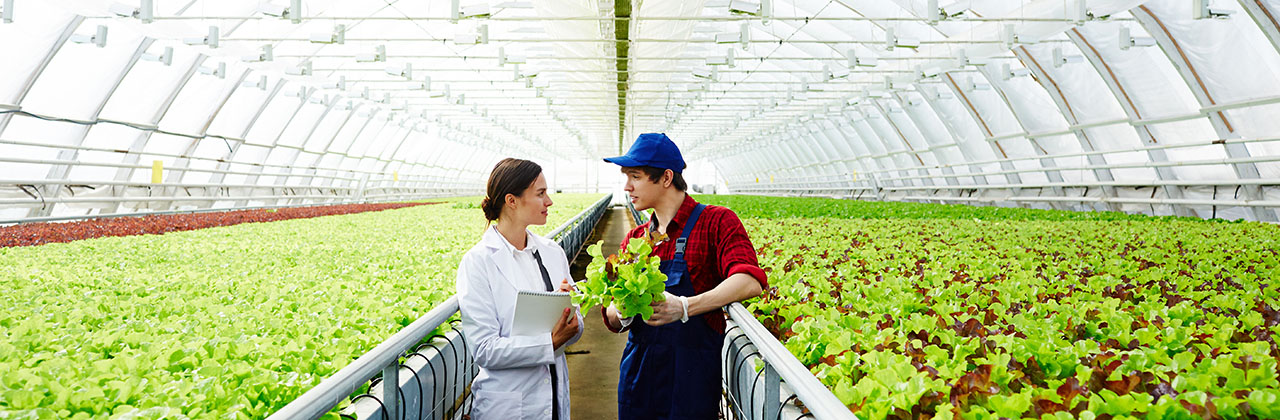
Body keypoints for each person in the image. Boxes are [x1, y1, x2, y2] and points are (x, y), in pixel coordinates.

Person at [600, 133, 768, 420]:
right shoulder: (636, 239)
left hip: (692, 378)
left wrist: (686, 307)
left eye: (635, 176)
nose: (627, 186)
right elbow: (611, 317)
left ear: (666, 178)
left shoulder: (716, 222)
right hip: (638, 375)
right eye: (626, 177)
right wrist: (623, 311)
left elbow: (749, 280)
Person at [456, 158, 584, 420]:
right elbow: (484, 349)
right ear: (511, 201)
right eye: (541, 193)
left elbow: (575, 327)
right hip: (508, 407)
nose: (549, 201)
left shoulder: (552, 253)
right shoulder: (479, 262)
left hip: (554, 399)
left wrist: (571, 318)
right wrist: (548, 343)